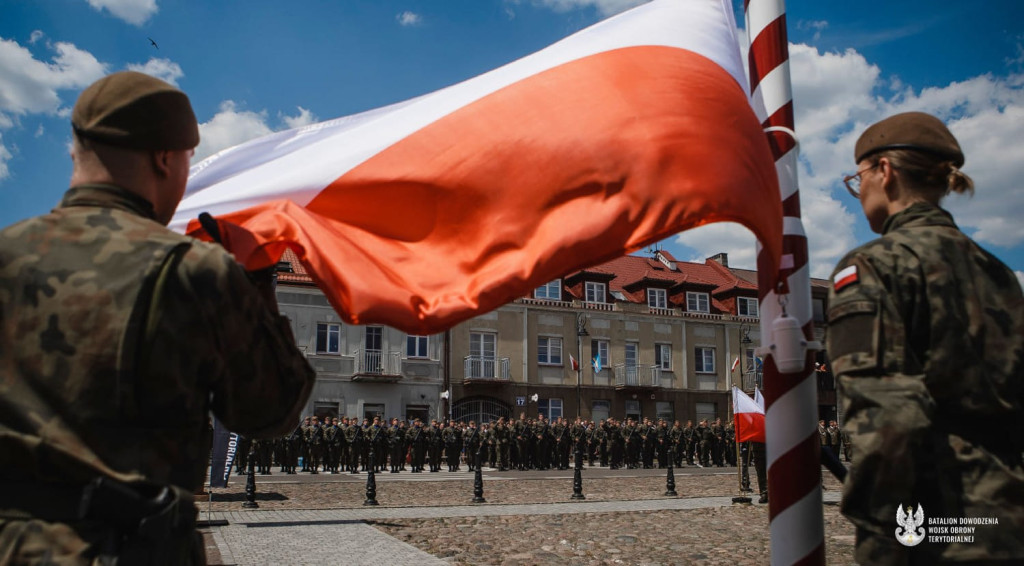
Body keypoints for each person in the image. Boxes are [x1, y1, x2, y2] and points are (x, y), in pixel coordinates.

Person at [0, 71, 317, 564]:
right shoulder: (192, 271)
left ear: (74, 152)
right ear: (166, 158)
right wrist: (257, 282)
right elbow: (271, 411)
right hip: (128, 547)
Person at [828, 112, 1023, 564]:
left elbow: (887, 418)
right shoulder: (996, 272)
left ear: (885, 171)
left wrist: (880, 523)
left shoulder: (878, 264)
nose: (860, 193)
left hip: (933, 516)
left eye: (858, 179)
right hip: (1008, 512)